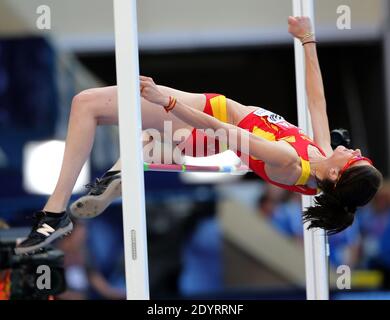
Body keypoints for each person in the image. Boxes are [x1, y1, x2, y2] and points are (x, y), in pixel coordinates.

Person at [15, 16, 383, 255]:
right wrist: (308, 40)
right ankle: (130, 165)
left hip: (210, 123)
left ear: (337, 174)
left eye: (355, 158)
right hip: (208, 137)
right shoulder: (318, 155)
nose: (356, 149)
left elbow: (224, 129)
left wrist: (169, 100)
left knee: (87, 104)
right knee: (140, 138)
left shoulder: (291, 164)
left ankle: (55, 212)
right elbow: (317, 102)